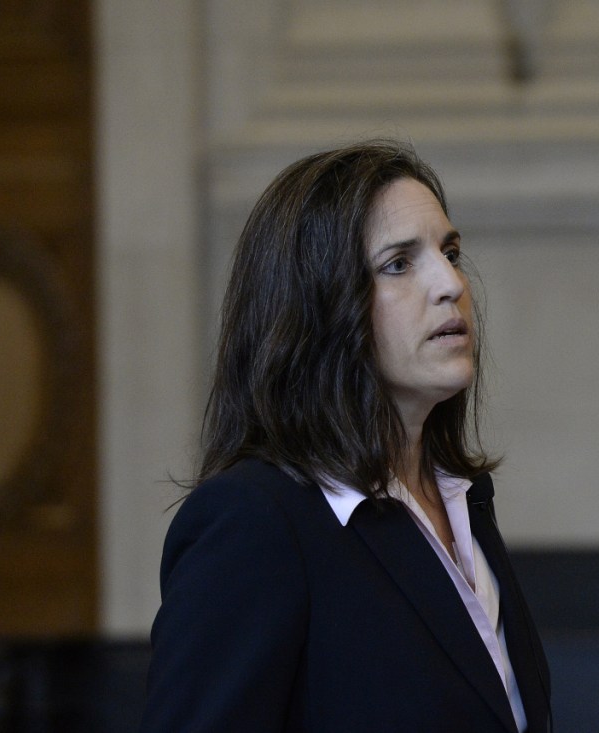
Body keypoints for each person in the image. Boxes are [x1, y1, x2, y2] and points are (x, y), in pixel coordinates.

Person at [140, 140, 552, 732]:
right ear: (317, 309)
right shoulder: (253, 522)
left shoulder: (465, 502)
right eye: (398, 264)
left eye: (450, 251)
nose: (450, 283)